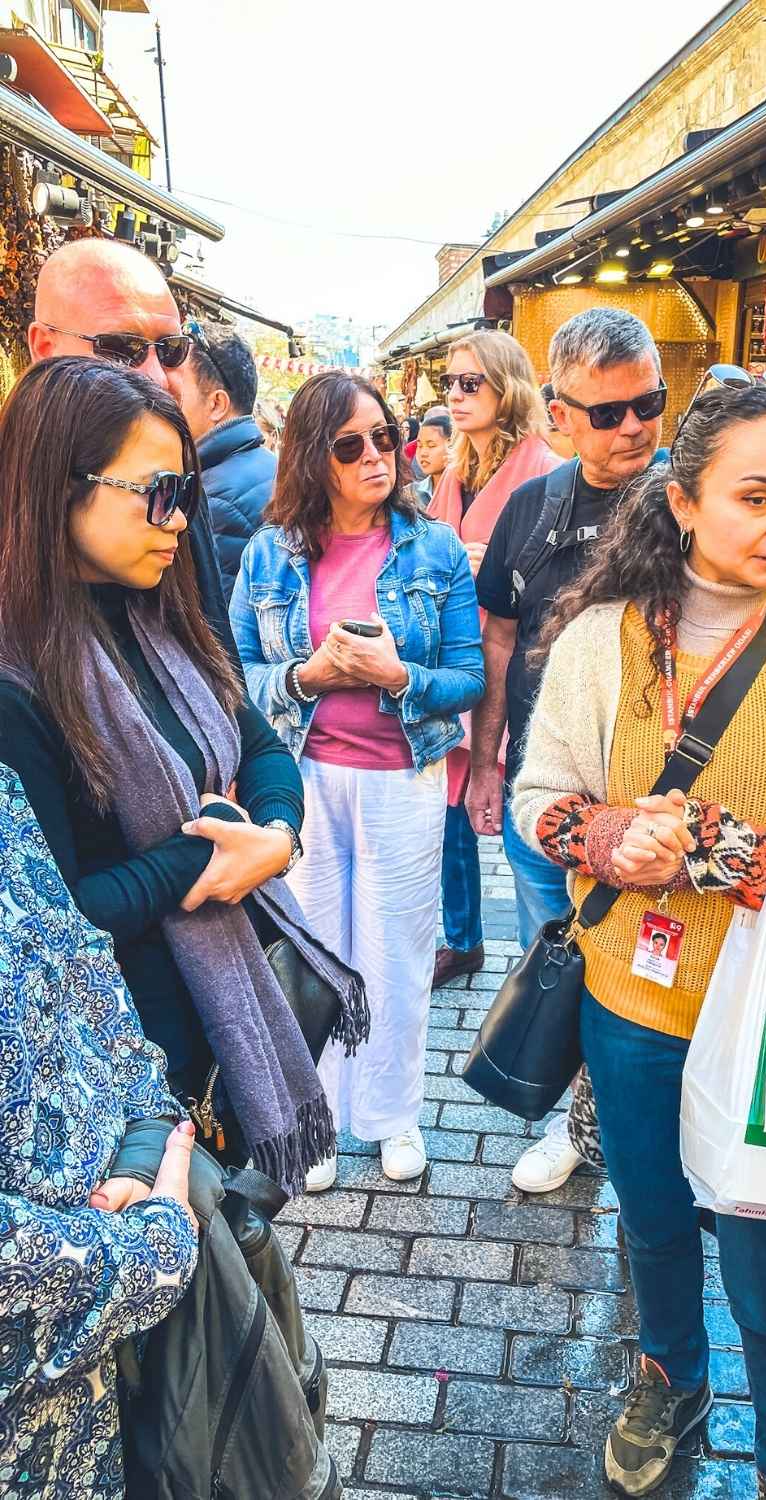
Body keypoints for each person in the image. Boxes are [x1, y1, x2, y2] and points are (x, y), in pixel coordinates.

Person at [512, 381, 766, 1500]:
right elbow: (535, 792)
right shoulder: (600, 640)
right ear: (683, 503)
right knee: (651, 1220)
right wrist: (590, 831)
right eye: (755, 496)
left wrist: (726, 854)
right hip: (630, 1005)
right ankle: (669, 1381)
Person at [0, 358, 366, 1197]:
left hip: (217, 1023)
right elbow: (56, 923)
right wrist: (199, 853)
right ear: (59, 486)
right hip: (120, 1076)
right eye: (160, 493)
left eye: (188, 495)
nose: (181, 523)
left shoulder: (159, 617)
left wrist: (273, 837)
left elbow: (263, 744)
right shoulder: (18, 686)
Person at [231, 371, 484, 1190]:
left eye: (387, 435)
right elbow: (238, 672)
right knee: (319, 954)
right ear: (314, 457)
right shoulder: (271, 550)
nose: (378, 456)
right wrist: (307, 675)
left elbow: (469, 674)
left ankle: (394, 1114)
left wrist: (397, 673)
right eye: (351, 445)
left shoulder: (432, 544)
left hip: (402, 778)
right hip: (304, 776)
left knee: (397, 953)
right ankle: (324, 1120)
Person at [471, 307, 669, 1192]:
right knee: (556, 954)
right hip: (542, 798)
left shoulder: (690, 505)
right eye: (607, 412)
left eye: (648, 404)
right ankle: (567, 1120)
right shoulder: (529, 509)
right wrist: (484, 761)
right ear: (557, 412)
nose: (632, 427)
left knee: (639, 984)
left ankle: (618, 1134)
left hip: (655, 810)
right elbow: (500, 643)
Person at [0, 761, 198, 1500]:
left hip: (82, 1416)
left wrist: (147, 1141)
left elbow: (76, 956)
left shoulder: (3, 793)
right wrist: (150, 1252)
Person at [27, 238, 239, 666]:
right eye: (123, 350)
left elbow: (224, 673)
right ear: (45, 349)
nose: (158, 376)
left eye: (171, 350)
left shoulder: (176, 499)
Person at [429, 330, 557, 988]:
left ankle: (546, 962)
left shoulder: (542, 468)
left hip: (516, 666)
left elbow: (561, 582)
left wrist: (493, 567)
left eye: (470, 383)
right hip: (460, 660)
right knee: (454, 797)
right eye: (448, 382)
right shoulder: (455, 471)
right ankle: (462, 934)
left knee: (515, 809)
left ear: (507, 389)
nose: (454, 394)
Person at [170, 318, 278, 603]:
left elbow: (219, 625)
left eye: (176, 394)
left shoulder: (212, 499)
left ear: (217, 404)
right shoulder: (271, 465)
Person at [414, 407, 452, 505]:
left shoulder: (470, 493)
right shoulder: (411, 494)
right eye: (419, 446)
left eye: (431, 446)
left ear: (452, 445)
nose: (423, 453)